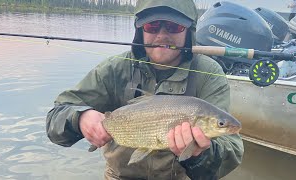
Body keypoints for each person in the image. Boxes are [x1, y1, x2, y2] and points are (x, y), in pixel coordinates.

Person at [46, 0, 244, 179]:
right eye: (152, 25)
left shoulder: (208, 73)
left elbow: (232, 151)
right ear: (140, 30)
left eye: (174, 26)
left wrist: (199, 154)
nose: (162, 35)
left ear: (188, 31)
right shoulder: (115, 69)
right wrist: (79, 118)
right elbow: (56, 117)